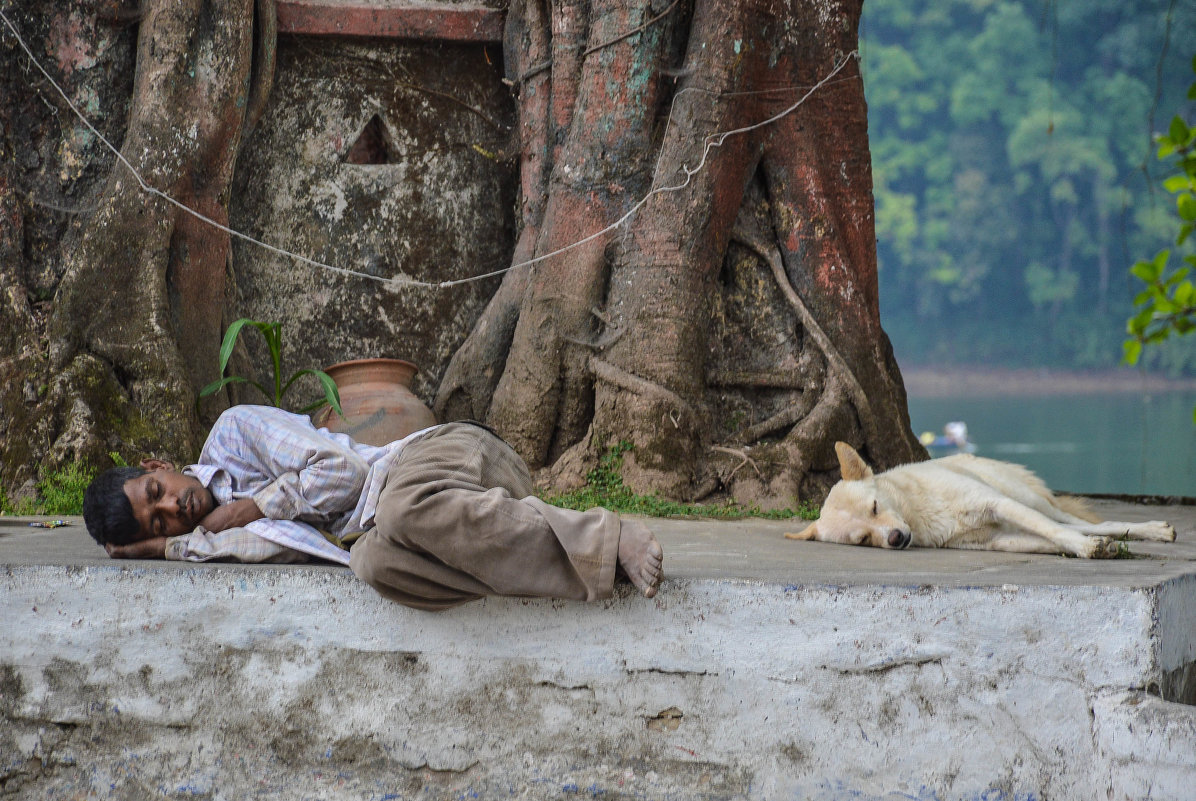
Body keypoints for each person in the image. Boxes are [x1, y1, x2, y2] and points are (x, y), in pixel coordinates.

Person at [82, 405, 663, 611]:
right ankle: (545, 543)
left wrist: (250, 506)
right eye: (159, 523)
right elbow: (272, 544)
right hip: (417, 521)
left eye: (155, 495)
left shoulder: (233, 435)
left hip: (443, 457)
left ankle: (605, 538)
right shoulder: (204, 537)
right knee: (374, 566)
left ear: (157, 467)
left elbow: (347, 472)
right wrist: (172, 545)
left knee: (400, 514)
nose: (173, 510)